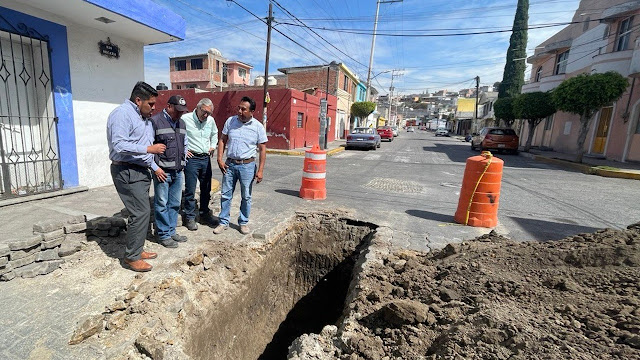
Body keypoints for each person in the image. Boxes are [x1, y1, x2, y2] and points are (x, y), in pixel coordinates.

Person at [107, 81, 166, 272]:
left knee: (142, 212)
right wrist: (149, 148)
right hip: (126, 170)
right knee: (139, 212)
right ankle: (131, 257)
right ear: (138, 100)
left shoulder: (142, 118)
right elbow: (119, 145)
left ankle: (137, 249)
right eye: (151, 104)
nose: (154, 108)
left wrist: (154, 167)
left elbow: (142, 151)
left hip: (139, 170)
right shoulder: (122, 114)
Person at [213, 96, 267, 235]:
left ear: (252, 111)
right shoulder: (230, 121)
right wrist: (220, 159)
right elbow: (222, 140)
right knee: (226, 194)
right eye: (239, 108)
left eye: (244, 109)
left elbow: (262, 149)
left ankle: (243, 222)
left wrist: (260, 170)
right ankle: (223, 221)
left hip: (247, 166)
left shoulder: (258, 127)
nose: (240, 111)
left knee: (246, 196)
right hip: (230, 164)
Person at [150, 95, 189, 248]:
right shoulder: (155, 121)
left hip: (178, 171)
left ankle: (171, 231)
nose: (180, 114)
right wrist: (155, 168)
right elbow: (148, 147)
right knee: (161, 203)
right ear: (169, 106)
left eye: (182, 111)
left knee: (174, 204)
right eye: (178, 110)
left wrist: (184, 161)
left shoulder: (182, 123)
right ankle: (163, 235)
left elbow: (185, 144)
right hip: (162, 171)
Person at [182, 98, 218, 231]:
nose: (206, 115)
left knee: (206, 188)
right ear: (198, 108)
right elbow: (178, 135)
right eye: (204, 111)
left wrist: (213, 146)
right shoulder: (185, 119)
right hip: (192, 159)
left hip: (205, 158)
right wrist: (184, 151)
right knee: (190, 190)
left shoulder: (210, 121)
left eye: (209, 113)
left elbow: (215, 133)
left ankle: (204, 213)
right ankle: (190, 217)